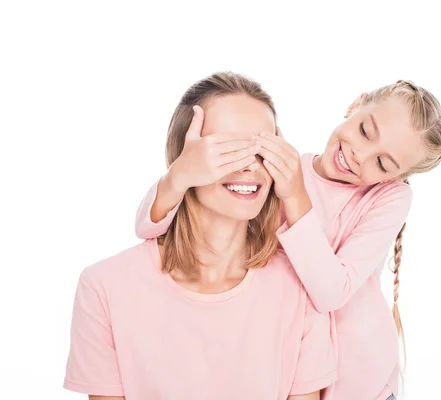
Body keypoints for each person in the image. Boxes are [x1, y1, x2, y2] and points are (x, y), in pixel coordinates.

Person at [135, 77, 441, 400]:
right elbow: (149, 227)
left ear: (395, 178)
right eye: (366, 131)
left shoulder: (388, 198)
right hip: (291, 378)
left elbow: (330, 292)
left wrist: (295, 195)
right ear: (356, 104)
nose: (360, 155)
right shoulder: (283, 171)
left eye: (382, 163)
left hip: (360, 386)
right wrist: (180, 174)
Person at [63, 72, 337, 400]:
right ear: (184, 158)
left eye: (265, 150)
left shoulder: (300, 291)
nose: (250, 166)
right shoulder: (105, 287)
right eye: (227, 149)